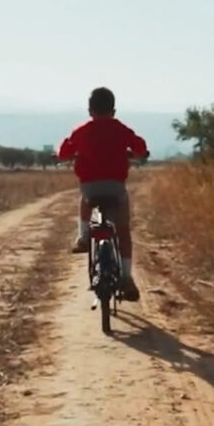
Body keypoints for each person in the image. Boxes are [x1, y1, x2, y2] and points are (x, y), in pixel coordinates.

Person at [56, 86, 149, 302]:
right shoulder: (120, 129)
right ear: (113, 111)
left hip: (91, 187)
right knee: (123, 231)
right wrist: (138, 153)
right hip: (116, 187)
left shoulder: (82, 130)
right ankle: (126, 277)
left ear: (90, 110)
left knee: (85, 199)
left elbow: (64, 152)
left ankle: (83, 236)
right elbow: (140, 148)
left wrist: (67, 154)